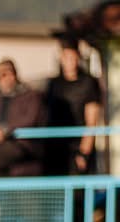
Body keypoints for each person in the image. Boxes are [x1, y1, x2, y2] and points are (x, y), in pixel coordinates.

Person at [0, 60, 46, 177]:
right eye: (1, 75)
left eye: (8, 74)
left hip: (19, 151)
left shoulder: (30, 96)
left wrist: (4, 130)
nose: (5, 78)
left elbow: (30, 119)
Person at [43, 40, 105, 174]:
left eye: (73, 57)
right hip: (56, 148)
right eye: (66, 57)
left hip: (77, 147)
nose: (69, 61)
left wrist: (83, 153)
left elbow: (91, 123)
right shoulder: (54, 84)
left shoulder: (88, 83)